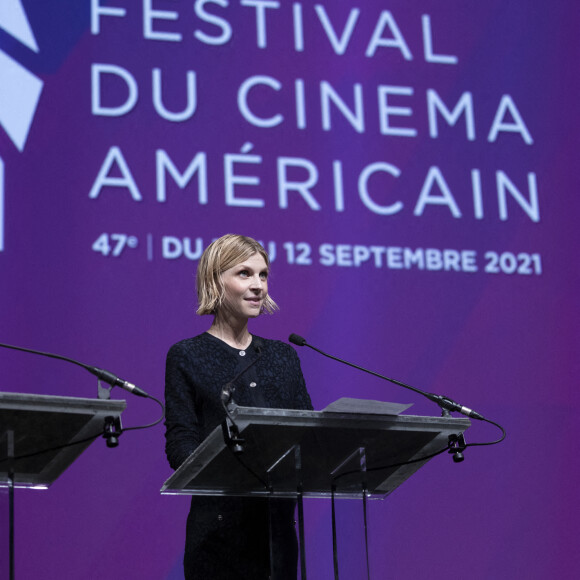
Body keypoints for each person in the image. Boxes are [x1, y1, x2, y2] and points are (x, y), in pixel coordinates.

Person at [164, 234, 313, 580]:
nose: (258, 285)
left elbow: (307, 435)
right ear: (216, 281)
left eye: (263, 275)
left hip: (276, 533)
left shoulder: (282, 355)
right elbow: (180, 445)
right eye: (244, 273)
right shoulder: (187, 355)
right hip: (217, 534)